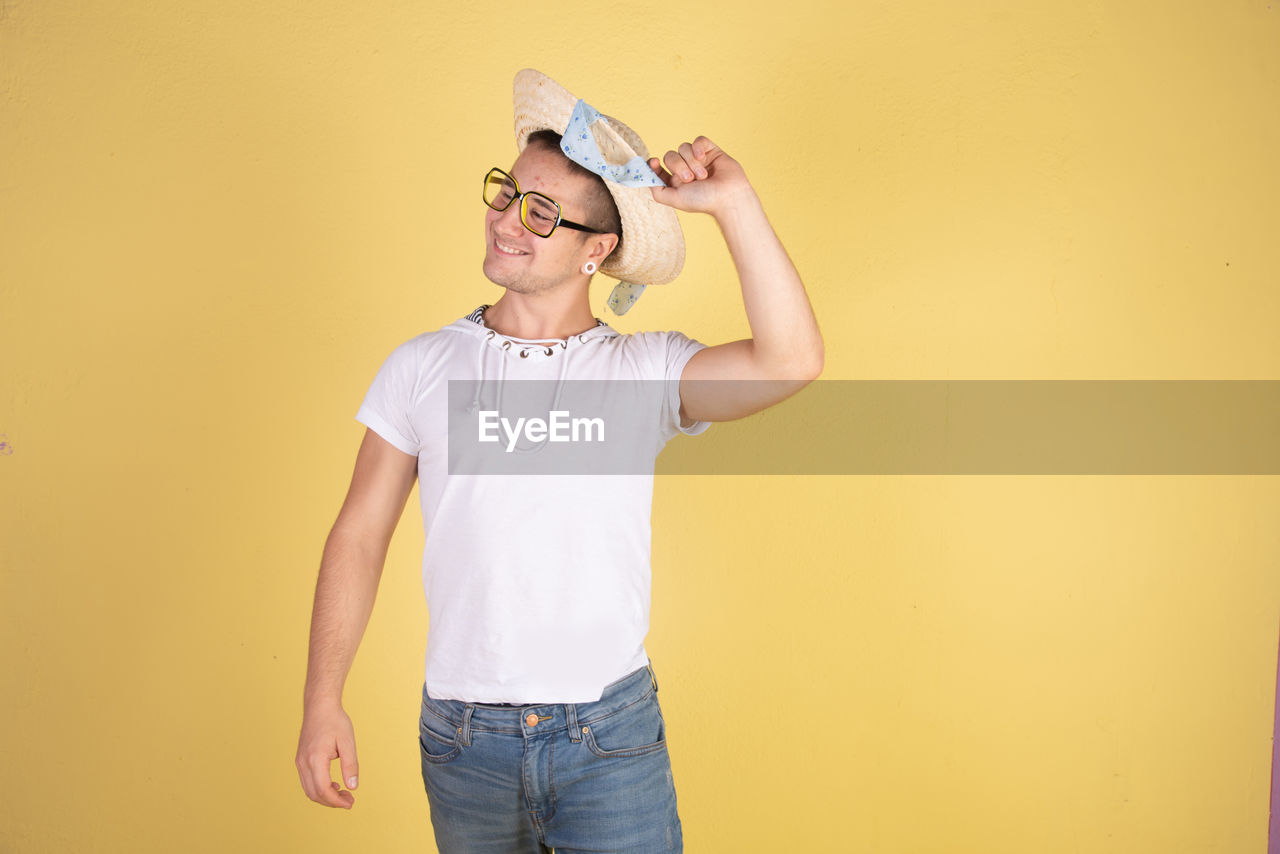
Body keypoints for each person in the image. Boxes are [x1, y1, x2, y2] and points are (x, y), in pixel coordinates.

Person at [294, 68, 823, 853]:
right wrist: (322, 699)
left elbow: (792, 360)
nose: (508, 220)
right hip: (463, 742)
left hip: (607, 740)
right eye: (508, 193)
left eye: (542, 213)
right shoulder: (422, 366)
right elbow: (359, 535)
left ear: (596, 250)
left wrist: (734, 204)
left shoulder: (641, 372)